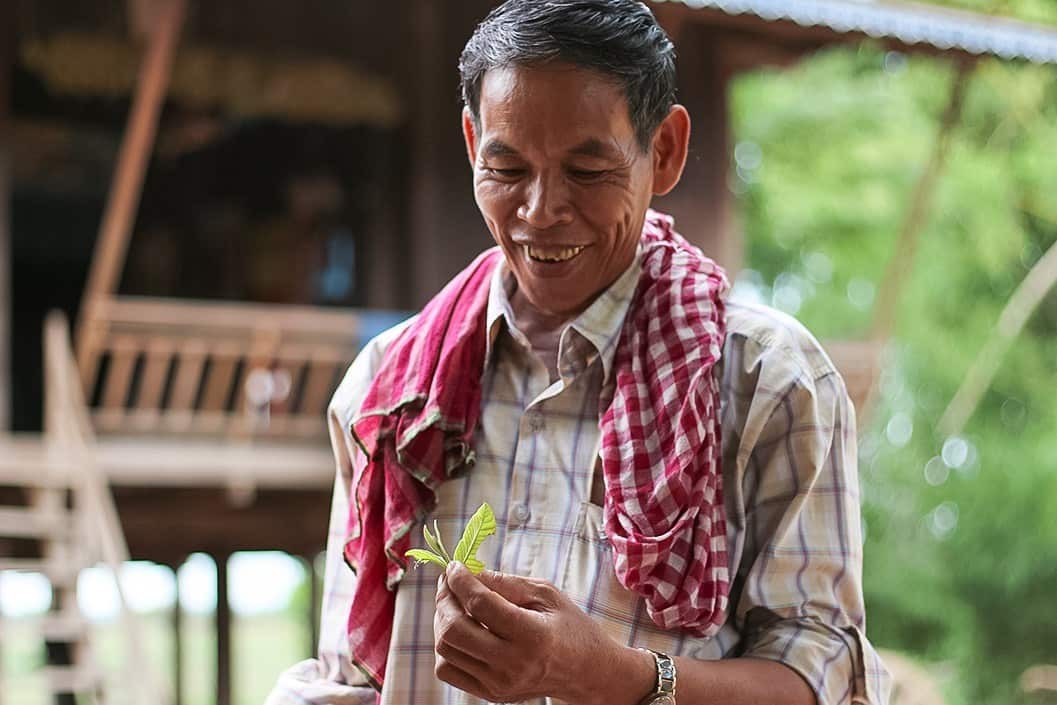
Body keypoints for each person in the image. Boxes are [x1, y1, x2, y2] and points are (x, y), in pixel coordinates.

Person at [266, 2, 891, 704]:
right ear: (472, 144)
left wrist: (609, 675)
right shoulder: (389, 391)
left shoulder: (767, 383)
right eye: (506, 167)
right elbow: (352, 678)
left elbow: (820, 676)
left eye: (587, 170)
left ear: (665, 150)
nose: (540, 210)